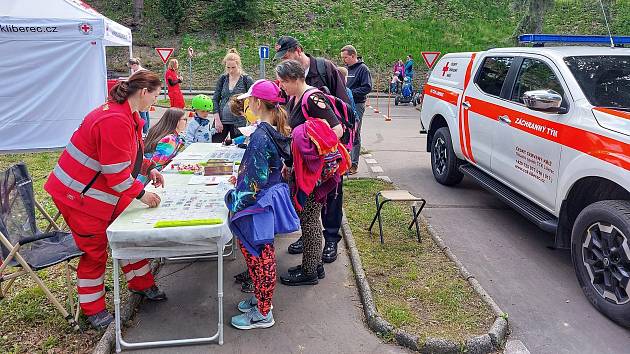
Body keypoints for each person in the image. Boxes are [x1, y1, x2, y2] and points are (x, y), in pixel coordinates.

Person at [44, 70, 167, 330]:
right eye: (155, 95)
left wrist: (148, 167)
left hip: (97, 193)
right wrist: (144, 194)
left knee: (129, 235)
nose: (156, 102)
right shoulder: (114, 119)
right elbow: (116, 175)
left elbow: (126, 157)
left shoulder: (125, 114)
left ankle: (141, 282)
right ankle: (94, 309)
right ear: (143, 92)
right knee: (95, 252)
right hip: (79, 197)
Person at [225, 79, 298, 330]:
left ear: (256, 102)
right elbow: (263, 171)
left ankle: (264, 312)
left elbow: (253, 184)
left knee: (260, 257)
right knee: (261, 254)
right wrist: (245, 174)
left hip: (256, 206)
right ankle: (260, 300)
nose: (246, 104)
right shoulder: (270, 131)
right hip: (265, 201)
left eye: (248, 100)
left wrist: (233, 200)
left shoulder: (259, 137)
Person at [274, 35, 349, 264]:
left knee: (328, 201)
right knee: (309, 216)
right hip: (307, 163)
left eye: (286, 55)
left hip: (322, 162)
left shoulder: (322, 73)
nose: (281, 87)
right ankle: (310, 244)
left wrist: (314, 144)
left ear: (298, 51)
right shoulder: (293, 94)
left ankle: (330, 240)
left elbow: (338, 125)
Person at [341, 45, 372, 176]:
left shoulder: (363, 69)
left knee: (355, 132)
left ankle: (354, 164)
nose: (343, 60)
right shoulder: (346, 69)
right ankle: (345, 162)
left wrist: (350, 93)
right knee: (345, 132)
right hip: (345, 104)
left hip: (358, 104)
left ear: (353, 56)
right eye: (342, 58)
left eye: (345, 57)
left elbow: (367, 87)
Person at [212, 49, 254, 143]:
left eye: (233, 67)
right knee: (215, 145)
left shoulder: (246, 79)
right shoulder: (223, 79)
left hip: (239, 122)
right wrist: (217, 119)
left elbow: (253, 100)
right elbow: (215, 99)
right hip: (221, 121)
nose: (230, 70)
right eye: (228, 67)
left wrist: (251, 119)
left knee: (238, 148)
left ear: (238, 65)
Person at [138, 108, 187, 184]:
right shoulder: (170, 140)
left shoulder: (163, 133)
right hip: (150, 180)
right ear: (176, 121)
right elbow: (157, 164)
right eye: (185, 119)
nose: (186, 122)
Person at [128, 58, 151, 135]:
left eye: (131, 67)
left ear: (134, 65)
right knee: (146, 112)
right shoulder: (144, 71)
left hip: (142, 94)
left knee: (142, 113)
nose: (131, 68)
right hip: (147, 93)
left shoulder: (139, 73)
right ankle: (147, 130)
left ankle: (145, 132)